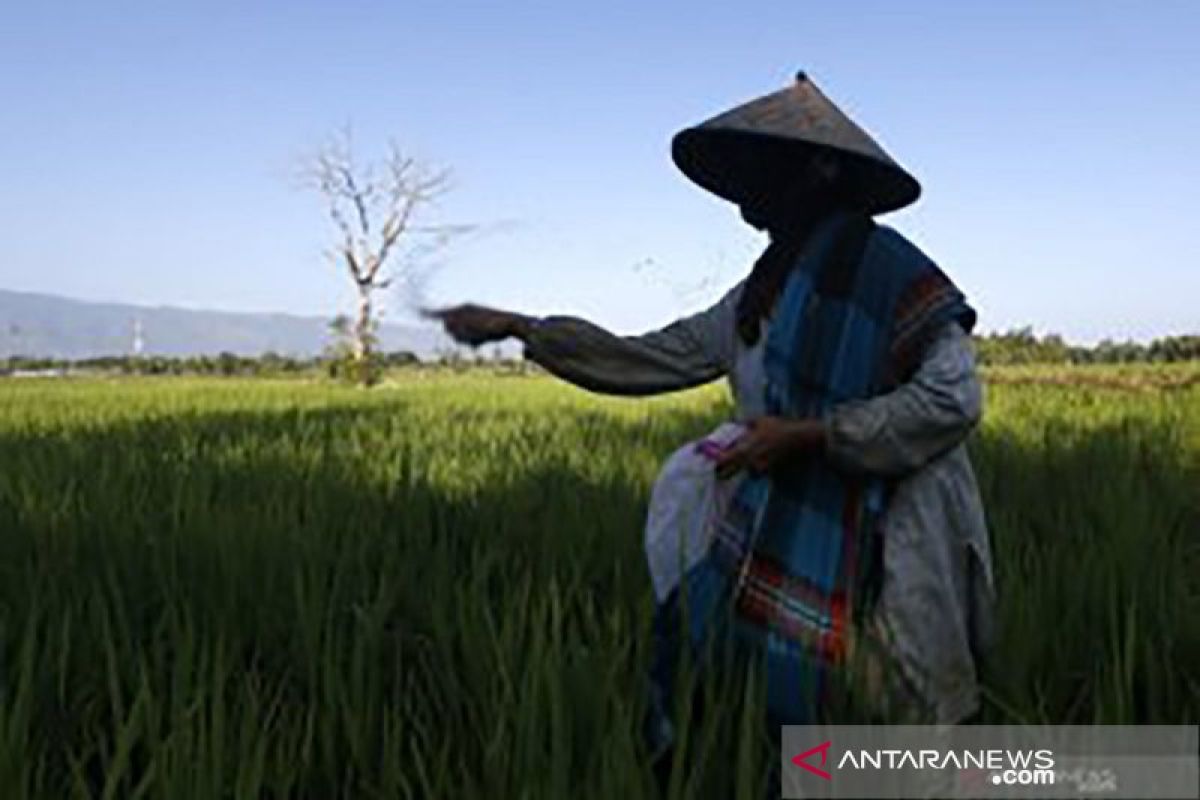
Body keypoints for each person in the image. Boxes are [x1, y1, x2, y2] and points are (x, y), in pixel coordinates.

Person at [429, 71, 996, 766]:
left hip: (900, 519)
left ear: (818, 171)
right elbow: (648, 360)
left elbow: (952, 401)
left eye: (761, 169)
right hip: (794, 515)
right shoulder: (756, 294)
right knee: (784, 696)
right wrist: (523, 327)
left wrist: (812, 434)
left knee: (900, 699)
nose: (743, 193)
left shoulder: (894, 276)